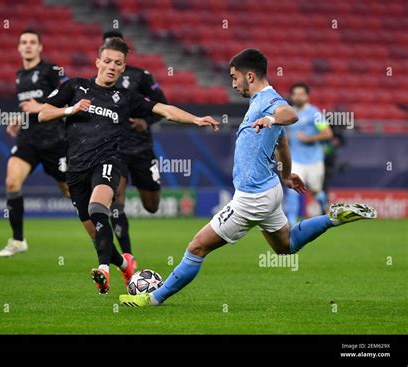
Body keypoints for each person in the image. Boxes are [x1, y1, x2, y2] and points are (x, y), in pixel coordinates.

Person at [119, 49, 377, 307]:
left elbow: (290, 115)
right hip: (270, 189)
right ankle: (332, 218)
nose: (233, 84)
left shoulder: (268, 101)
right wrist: (286, 175)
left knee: (197, 247)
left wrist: (271, 118)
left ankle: (152, 299)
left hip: (252, 197)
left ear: (250, 76)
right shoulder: (260, 101)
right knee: (286, 246)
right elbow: (283, 143)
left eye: (234, 77)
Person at [38, 37, 219, 294]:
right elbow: (43, 113)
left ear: (124, 68)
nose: (112, 66)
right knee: (97, 236)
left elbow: (165, 110)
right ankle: (125, 264)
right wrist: (70, 110)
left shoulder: (126, 98)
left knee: (98, 207)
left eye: (118, 63)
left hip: (108, 162)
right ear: (98, 61)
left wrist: (196, 119)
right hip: (77, 168)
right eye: (108, 61)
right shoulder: (75, 87)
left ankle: (103, 269)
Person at [0, 29, 72, 257]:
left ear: (40, 47)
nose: (28, 46)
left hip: (55, 141)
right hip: (28, 141)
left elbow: (70, 99)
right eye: (24, 42)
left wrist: (39, 107)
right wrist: (20, 119)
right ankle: (18, 240)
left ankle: (101, 222)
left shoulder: (51, 71)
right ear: (19, 47)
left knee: (71, 193)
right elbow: (28, 108)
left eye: (32, 42)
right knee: (12, 182)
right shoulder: (19, 75)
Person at [102, 30, 168, 265]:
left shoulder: (142, 76)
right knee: (115, 201)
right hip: (114, 149)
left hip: (141, 149)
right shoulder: (96, 83)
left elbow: (163, 105)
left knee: (152, 206)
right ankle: (128, 258)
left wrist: (144, 121)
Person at [285, 83, 333, 226]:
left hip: (314, 159)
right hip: (295, 159)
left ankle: (325, 209)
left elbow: (327, 133)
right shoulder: (288, 113)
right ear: (292, 96)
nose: (298, 97)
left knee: (316, 190)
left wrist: (309, 138)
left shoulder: (315, 113)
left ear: (307, 96)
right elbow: (286, 134)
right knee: (292, 189)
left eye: (301, 94)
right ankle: (291, 223)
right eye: (295, 94)